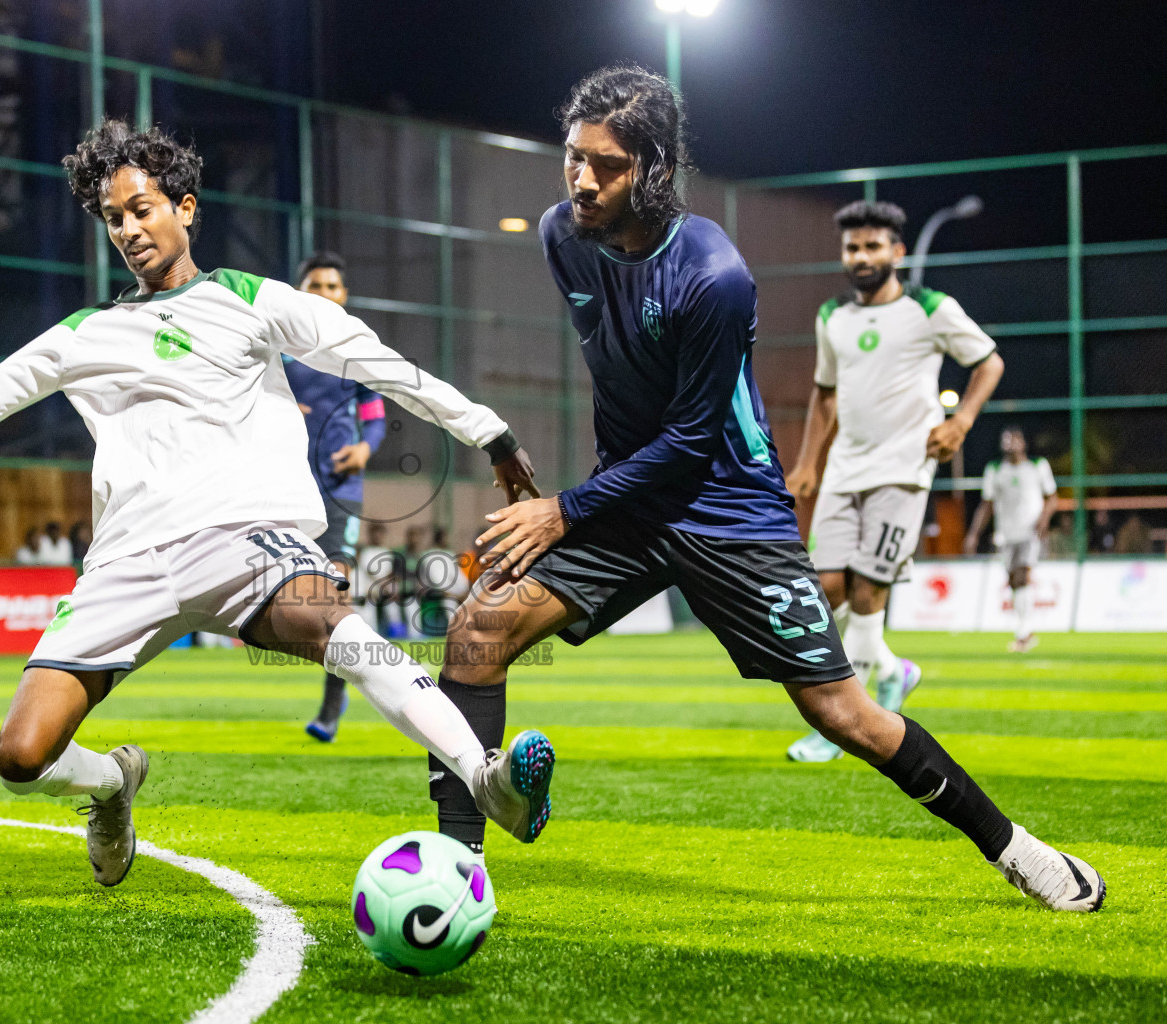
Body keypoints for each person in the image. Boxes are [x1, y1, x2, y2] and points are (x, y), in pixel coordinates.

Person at [427, 66, 1101, 911]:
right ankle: (459, 881)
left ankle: (1020, 851)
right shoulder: (563, 234)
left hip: (729, 509)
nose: (583, 180)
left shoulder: (715, 275)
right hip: (631, 502)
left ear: (655, 167)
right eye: (573, 158)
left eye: (608, 164)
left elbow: (690, 440)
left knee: (845, 716)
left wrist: (565, 508)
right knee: (476, 634)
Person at [0, 118, 554, 888]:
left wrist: (487, 431)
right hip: (126, 561)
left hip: (242, 538)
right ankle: (113, 784)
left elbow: (378, 363)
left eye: (142, 208)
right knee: (21, 757)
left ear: (185, 208)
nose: (127, 228)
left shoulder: (252, 300)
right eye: (113, 217)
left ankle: (485, 780)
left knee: (341, 631)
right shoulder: (86, 333)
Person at [783, 198, 1006, 762]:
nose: (861, 256)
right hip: (843, 471)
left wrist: (961, 421)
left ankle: (841, 722)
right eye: (852, 247)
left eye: (873, 245)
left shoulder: (930, 308)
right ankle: (890, 669)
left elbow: (988, 362)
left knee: (867, 588)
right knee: (825, 589)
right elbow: (824, 394)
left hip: (903, 472)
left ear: (897, 251)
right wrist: (808, 463)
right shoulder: (832, 315)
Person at [280, 251, 388, 741]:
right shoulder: (277, 353)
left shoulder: (355, 351)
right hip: (282, 488)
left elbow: (375, 416)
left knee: (334, 596)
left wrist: (366, 447)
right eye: (316, 285)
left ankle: (330, 706)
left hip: (339, 491)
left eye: (334, 286)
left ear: (344, 296)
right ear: (299, 291)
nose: (325, 293)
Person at [964, 427, 1057, 652]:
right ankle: (1026, 627)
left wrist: (1044, 519)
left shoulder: (1037, 466)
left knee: (1022, 575)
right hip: (1006, 534)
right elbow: (986, 504)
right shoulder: (995, 470)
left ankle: (1023, 632)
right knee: (1014, 581)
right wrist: (973, 534)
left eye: (1014, 440)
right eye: (1006, 441)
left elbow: (1052, 497)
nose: (1010, 445)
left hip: (1029, 532)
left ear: (1023, 442)